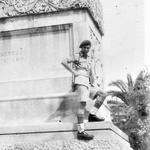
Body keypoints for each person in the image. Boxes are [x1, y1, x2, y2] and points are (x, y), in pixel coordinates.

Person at [61, 40, 107, 140]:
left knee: (103, 94)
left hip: (88, 83)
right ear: (81, 48)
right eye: (85, 47)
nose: (86, 49)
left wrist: (93, 81)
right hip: (80, 81)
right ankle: (81, 131)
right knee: (82, 105)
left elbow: (90, 72)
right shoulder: (77, 56)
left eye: (88, 48)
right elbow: (64, 61)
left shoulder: (89, 59)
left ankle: (92, 115)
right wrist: (74, 72)